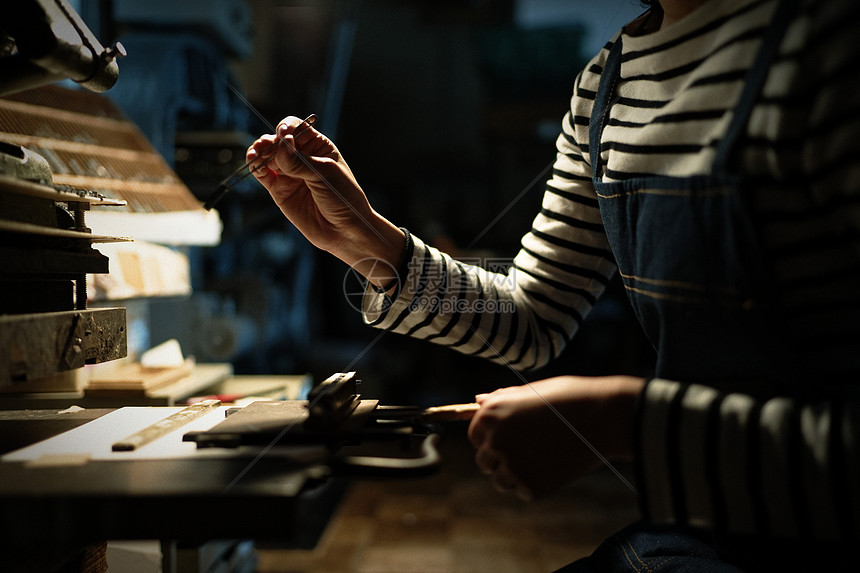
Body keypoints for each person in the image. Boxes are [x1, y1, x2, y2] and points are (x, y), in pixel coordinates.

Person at [247, 0, 860, 569]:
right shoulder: (607, 85)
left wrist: (621, 424)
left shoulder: (822, 49)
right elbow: (531, 318)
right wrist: (373, 246)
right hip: (701, 532)